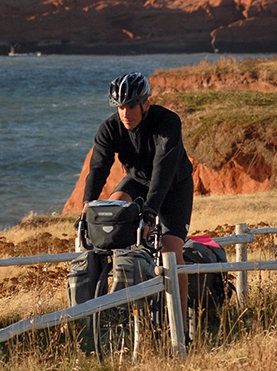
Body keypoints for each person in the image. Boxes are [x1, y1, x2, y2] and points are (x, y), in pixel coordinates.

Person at [82, 72, 194, 333]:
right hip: (137, 180)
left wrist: (151, 211)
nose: (125, 113)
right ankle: (125, 306)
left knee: (170, 250)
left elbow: (163, 170)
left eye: (131, 106)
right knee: (115, 212)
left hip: (174, 185)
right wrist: (88, 204)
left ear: (145, 103)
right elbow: (98, 168)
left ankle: (180, 324)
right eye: (120, 107)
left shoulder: (167, 122)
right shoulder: (110, 128)